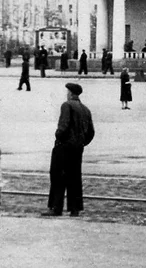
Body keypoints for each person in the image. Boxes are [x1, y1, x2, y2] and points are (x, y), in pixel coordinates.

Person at [42, 83, 95, 217]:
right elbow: (91, 132)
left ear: (70, 93)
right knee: (75, 177)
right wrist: (81, 142)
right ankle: (74, 209)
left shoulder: (67, 105)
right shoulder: (86, 109)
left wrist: (59, 136)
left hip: (64, 146)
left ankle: (55, 207)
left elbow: (63, 126)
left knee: (58, 176)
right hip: (78, 148)